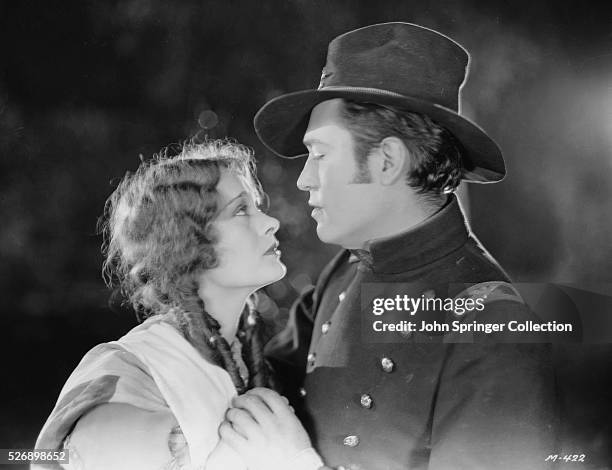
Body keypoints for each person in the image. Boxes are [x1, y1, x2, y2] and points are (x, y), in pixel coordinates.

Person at [220, 23, 558, 470]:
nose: (304, 179)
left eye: (320, 155)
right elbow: (261, 379)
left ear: (386, 161)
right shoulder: (346, 269)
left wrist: (294, 463)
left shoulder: (492, 325)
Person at [33, 140, 323, 470]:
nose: (271, 222)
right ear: (186, 242)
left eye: (257, 207)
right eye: (241, 210)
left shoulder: (255, 365)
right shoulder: (132, 367)